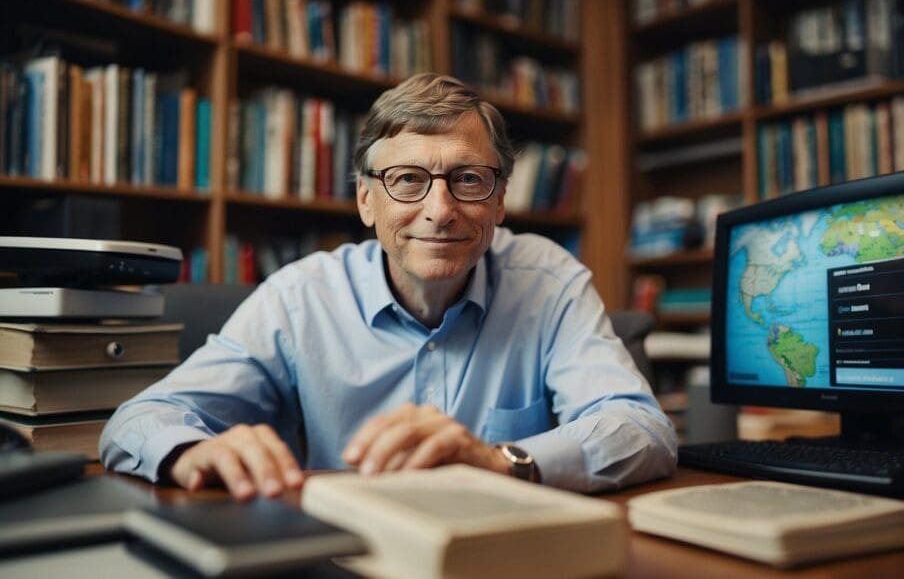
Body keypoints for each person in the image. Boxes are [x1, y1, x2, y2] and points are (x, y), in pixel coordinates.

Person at [100, 73, 677, 500]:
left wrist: (503, 461)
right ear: (365, 200)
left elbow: (643, 430)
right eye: (407, 180)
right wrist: (192, 450)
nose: (439, 211)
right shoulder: (301, 297)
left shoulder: (547, 281)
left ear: (500, 200)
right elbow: (136, 422)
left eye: (468, 179)